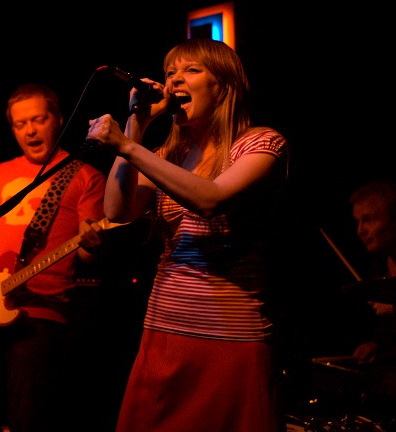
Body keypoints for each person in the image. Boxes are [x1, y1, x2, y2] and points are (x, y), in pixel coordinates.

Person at [86, 38, 290, 432]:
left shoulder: (261, 144)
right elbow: (116, 210)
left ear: (224, 87)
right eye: (170, 72)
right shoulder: (168, 155)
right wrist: (137, 125)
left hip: (230, 337)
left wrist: (127, 147)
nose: (174, 80)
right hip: (164, 330)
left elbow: (211, 199)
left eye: (191, 70)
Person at [0, 83, 107, 432]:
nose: (30, 130)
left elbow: (89, 255)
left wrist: (92, 243)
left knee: (28, 418)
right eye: (20, 124)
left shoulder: (85, 175)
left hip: (42, 312)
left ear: (58, 119)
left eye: (38, 120)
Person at [348, 178, 396, 426]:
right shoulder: (379, 264)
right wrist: (377, 343)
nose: (360, 231)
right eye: (357, 222)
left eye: (368, 220)